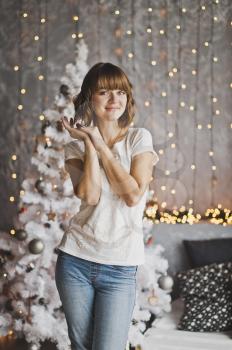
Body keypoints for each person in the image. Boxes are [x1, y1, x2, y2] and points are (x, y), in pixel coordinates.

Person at [55, 62, 159, 350]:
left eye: (120, 92)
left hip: (120, 266)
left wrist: (100, 144)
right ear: (89, 99)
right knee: (81, 346)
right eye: (104, 92)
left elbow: (132, 195)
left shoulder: (139, 139)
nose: (115, 100)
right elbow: (89, 195)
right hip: (75, 260)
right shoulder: (74, 147)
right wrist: (89, 143)